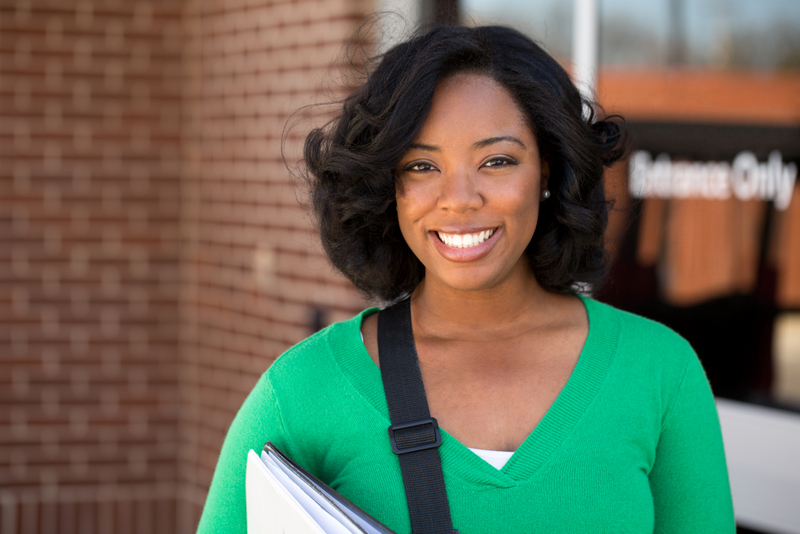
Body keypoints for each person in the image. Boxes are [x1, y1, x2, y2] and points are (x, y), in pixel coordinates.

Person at [197, 25, 735, 533]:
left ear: (547, 172)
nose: (459, 199)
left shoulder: (659, 372)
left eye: (497, 161)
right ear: (389, 186)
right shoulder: (302, 392)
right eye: (422, 167)